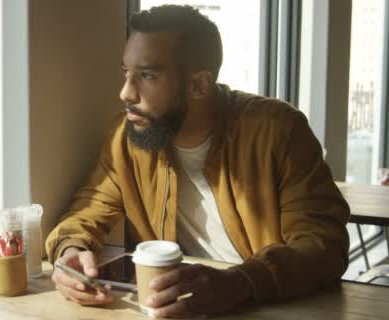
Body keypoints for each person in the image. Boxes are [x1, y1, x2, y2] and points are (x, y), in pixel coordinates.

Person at [45, 4, 350, 318]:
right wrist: (71, 253)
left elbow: (324, 244)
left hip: (268, 307)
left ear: (199, 84)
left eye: (146, 75)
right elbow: (87, 209)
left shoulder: (278, 130)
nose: (125, 92)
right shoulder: (127, 139)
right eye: (126, 72)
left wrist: (241, 282)